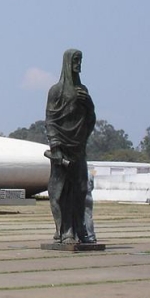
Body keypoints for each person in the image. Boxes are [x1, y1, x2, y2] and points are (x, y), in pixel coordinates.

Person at [45, 48, 97, 244]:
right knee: (62, 192)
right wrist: (55, 146)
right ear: (67, 62)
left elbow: (90, 120)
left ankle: (79, 229)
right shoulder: (56, 91)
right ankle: (65, 230)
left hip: (78, 148)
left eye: (80, 60)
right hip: (62, 150)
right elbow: (50, 119)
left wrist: (89, 104)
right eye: (75, 60)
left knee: (81, 189)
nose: (78, 64)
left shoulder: (83, 91)